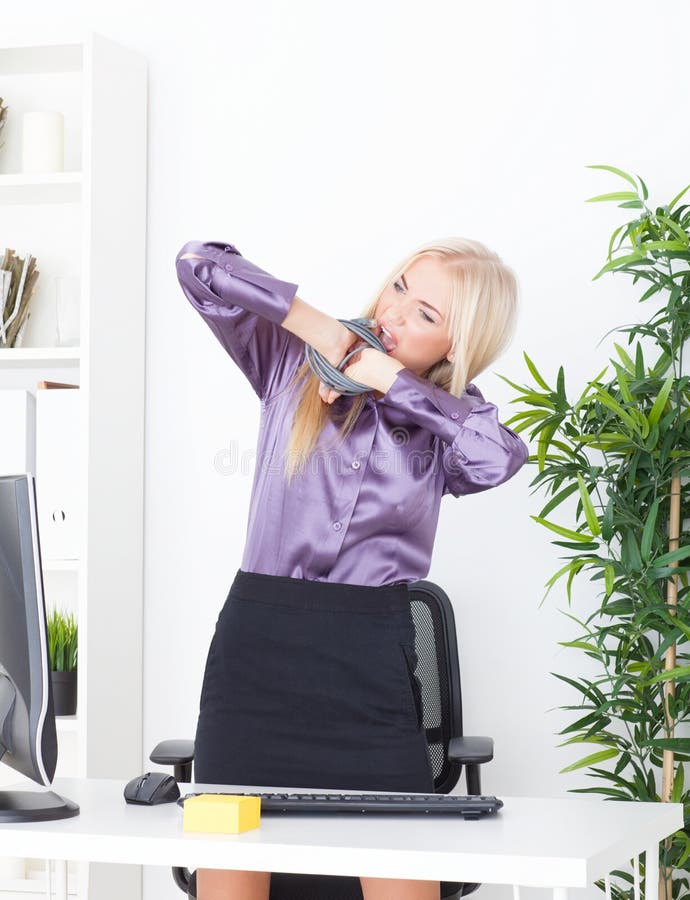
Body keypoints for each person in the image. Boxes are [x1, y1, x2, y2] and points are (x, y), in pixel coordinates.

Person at [175, 237, 529, 900]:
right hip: (257, 660)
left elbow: (499, 457)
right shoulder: (289, 363)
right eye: (399, 287)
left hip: (369, 670)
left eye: (427, 314)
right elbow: (198, 265)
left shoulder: (450, 426)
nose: (394, 314)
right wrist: (313, 325)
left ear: (457, 345)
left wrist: (392, 382)